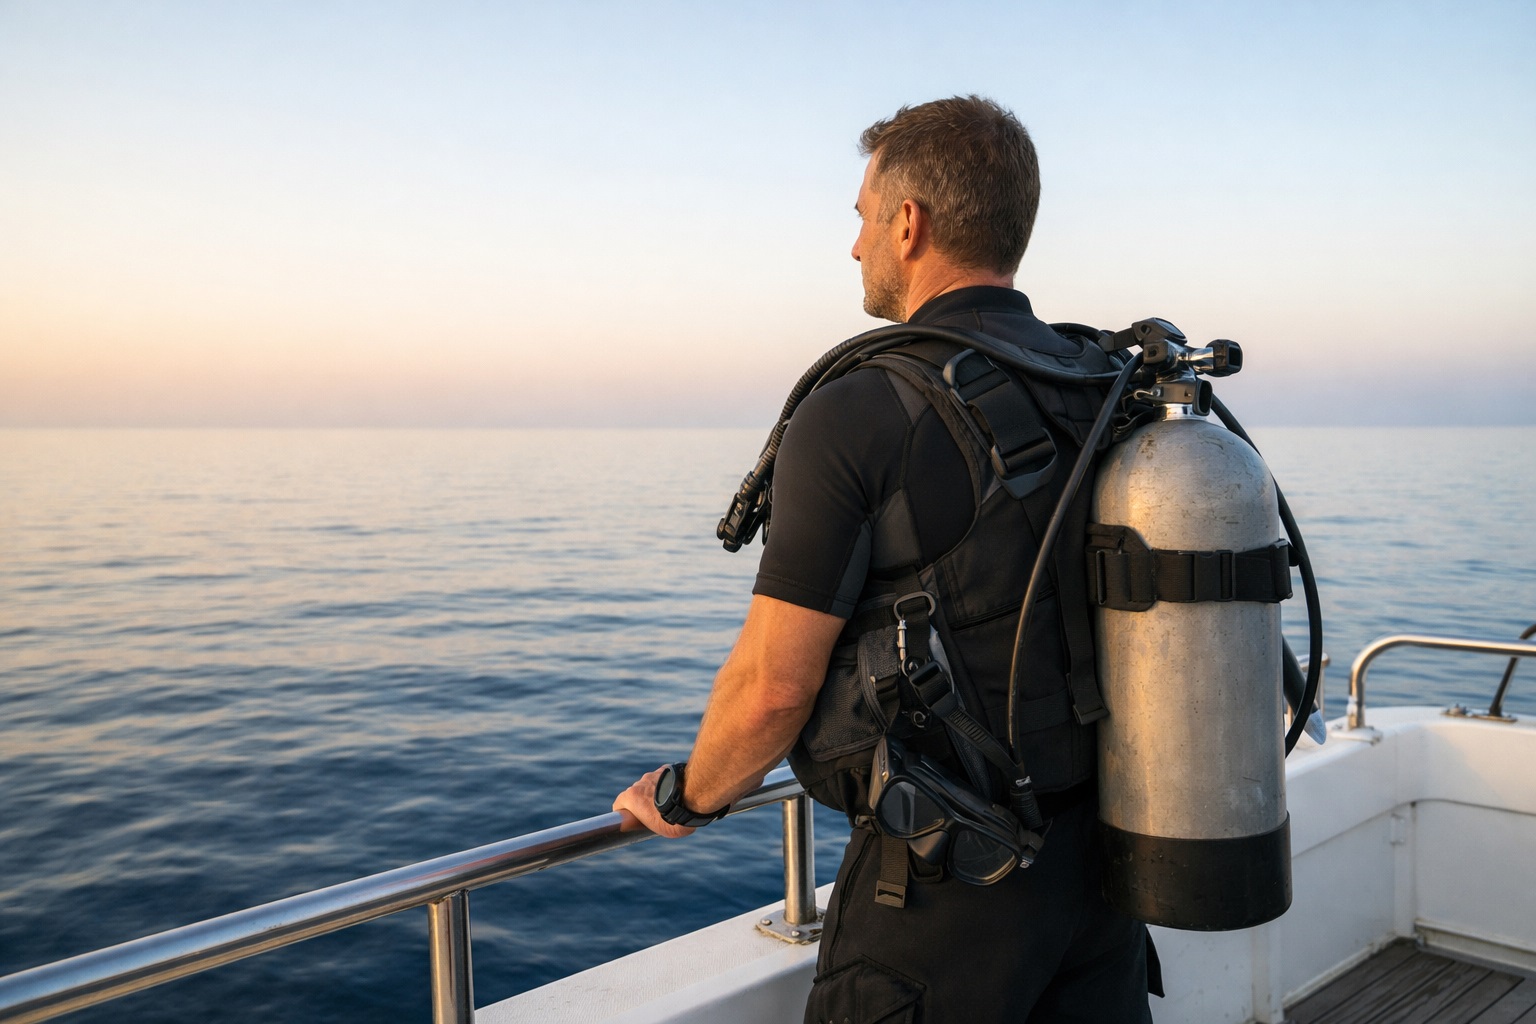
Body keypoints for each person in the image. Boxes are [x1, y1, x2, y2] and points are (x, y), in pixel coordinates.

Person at [614, 95, 1156, 1023]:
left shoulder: (861, 408)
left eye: (862, 218)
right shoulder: (1096, 385)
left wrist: (688, 793)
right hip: (1100, 876)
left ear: (909, 224)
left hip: (946, 890)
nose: (855, 245)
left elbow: (773, 689)